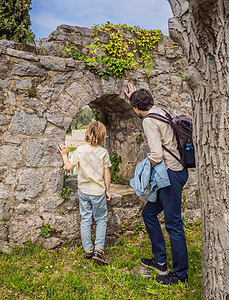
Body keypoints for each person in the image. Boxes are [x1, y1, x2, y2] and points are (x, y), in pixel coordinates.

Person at [124, 83, 189, 285]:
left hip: (169, 175)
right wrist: (134, 95)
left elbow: (157, 155)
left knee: (174, 224)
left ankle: (180, 275)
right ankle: (160, 261)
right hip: (178, 171)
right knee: (149, 213)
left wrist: (144, 169)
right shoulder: (161, 111)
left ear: (136, 109)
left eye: (133, 106)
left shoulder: (148, 121)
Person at [58, 121, 112, 265]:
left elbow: (68, 167)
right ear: (102, 136)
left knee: (86, 218)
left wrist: (64, 155)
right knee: (101, 219)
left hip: (83, 191)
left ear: (87, 133)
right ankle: (98, 250)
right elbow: (106, 173)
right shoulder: (103, 152)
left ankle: (88, 250)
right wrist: (108, 190)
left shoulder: (80, 150)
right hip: (98, 191)